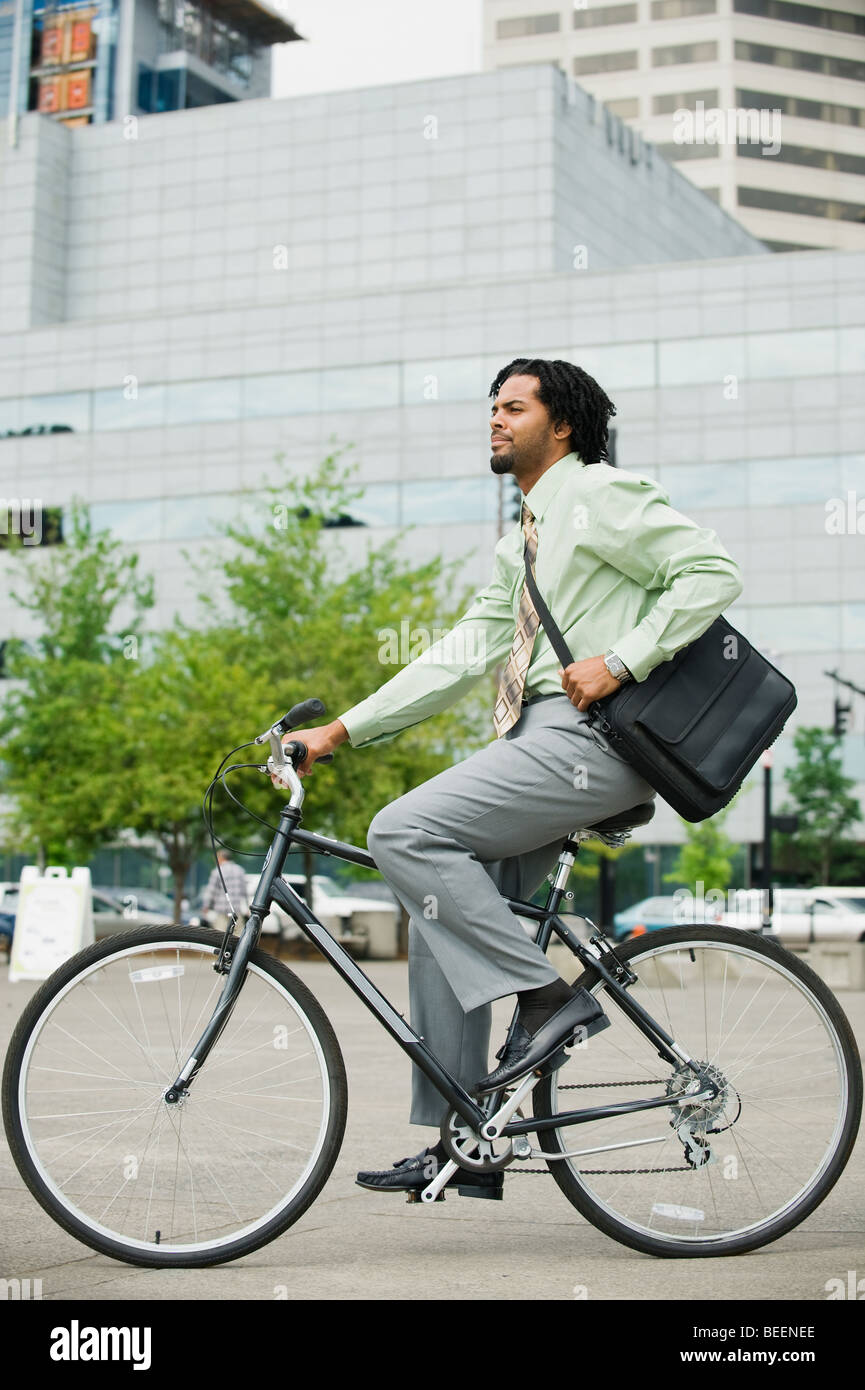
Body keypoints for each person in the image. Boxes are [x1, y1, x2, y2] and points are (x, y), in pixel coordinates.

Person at [282, 357, 744, 1199]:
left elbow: (711, 572)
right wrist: (343, 730)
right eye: (490, 408)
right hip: (536, 743)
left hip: (587, 744)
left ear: (559, 424)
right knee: (441, 915)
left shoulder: (598, 496)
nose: (493, 420)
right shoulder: (522, 541)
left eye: (512, 407)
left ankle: (547, 999)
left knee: (402, 833)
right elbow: (459, 657)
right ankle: (468, 1140)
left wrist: (622, 658)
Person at [201, 850, 249, 933]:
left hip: (221, 909)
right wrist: (247, 906)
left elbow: (211, 891)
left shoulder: (217, 871)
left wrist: (206, 906)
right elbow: (244, 891)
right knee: (238, 934)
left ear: (220, 858)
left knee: (220, 934)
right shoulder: (240, 870)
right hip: (236, 909)